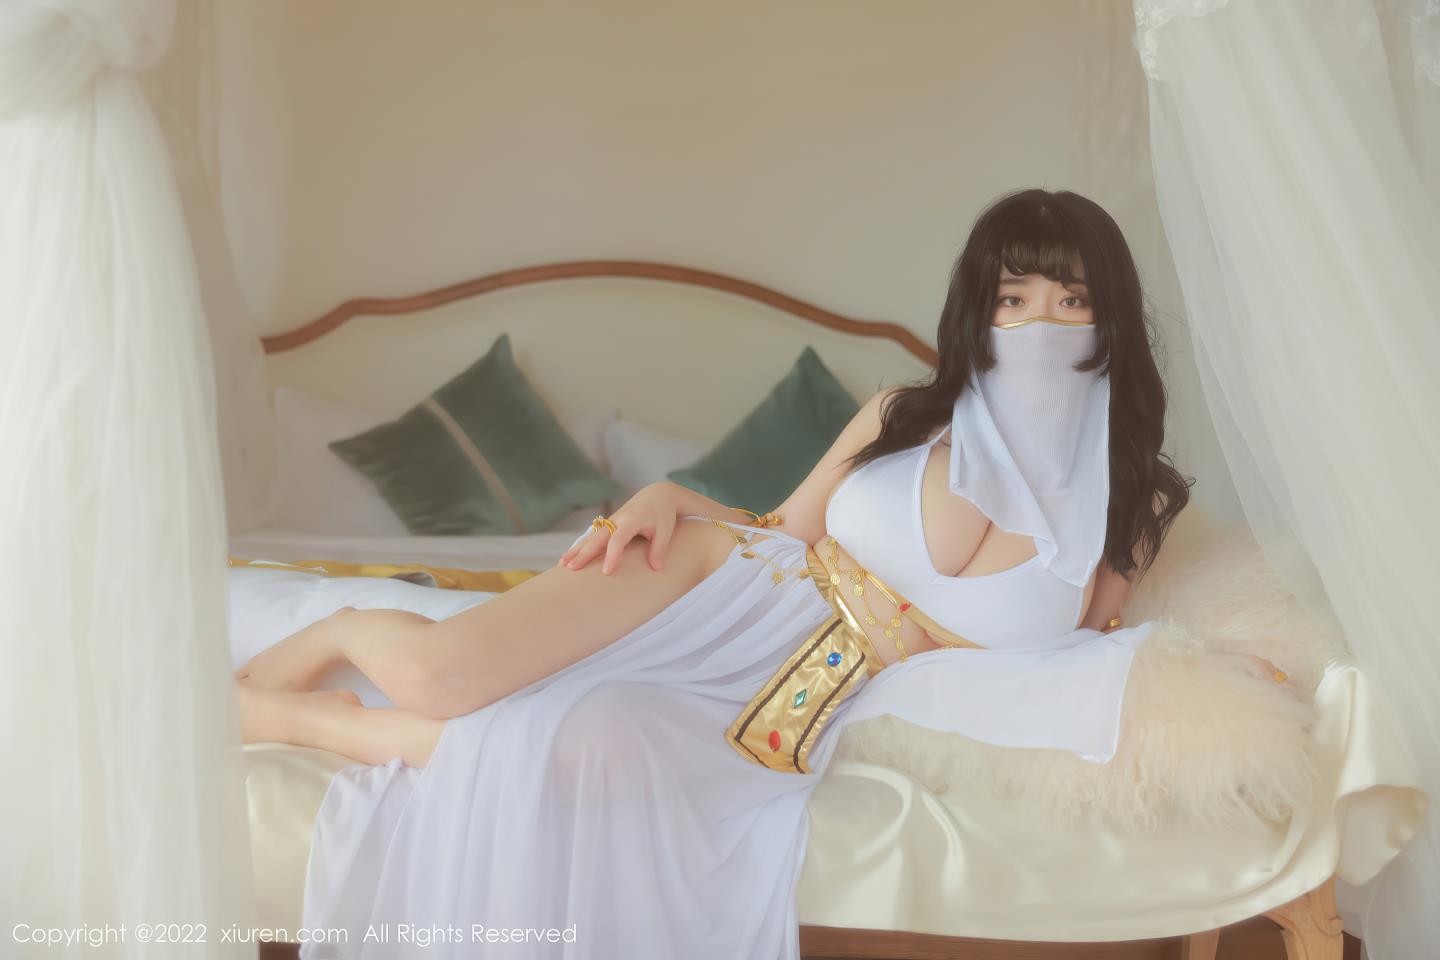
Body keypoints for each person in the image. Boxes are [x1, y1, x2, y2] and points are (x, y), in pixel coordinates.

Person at [233, 188, 1282, 958]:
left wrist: (1225, 673)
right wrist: (667, 497)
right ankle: (342, 631)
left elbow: (1096, 651)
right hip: (719, 577)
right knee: (442, 678)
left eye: (1069, 299)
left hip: (815, 693)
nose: (1039, 323)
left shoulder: (1131, 502)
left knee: (592, 749)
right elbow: (779, 525)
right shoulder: (901, 414)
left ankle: (314, 722)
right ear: (981, 312)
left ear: (1108, 317)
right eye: (1014, 298)